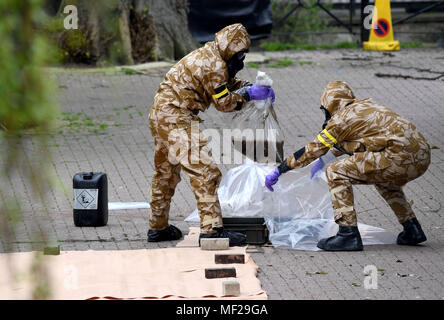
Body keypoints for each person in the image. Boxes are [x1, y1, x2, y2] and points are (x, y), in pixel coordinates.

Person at [265, 80, 430, 251]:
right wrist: (325, 158)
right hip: (420, 158)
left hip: (398, 158)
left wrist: (281, 169)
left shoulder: (341, 119)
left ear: (330, 104)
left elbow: (311, 150)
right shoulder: (365, 107)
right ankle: (412, 229)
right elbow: (356, 140)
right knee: (384, 180)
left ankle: (347, 234)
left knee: (336, 172)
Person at [148, 23, 275, 246]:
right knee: (205, 171)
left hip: (161, 114)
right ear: (230, 49)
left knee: (166, 173)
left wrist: (250, 87)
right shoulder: (215, 64)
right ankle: (212, 231)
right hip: (177, 118)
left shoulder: (212, 55)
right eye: (240, 54)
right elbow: (224, 103)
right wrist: (248, 95)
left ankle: (158, 226)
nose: (241, 60)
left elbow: (226, 84)